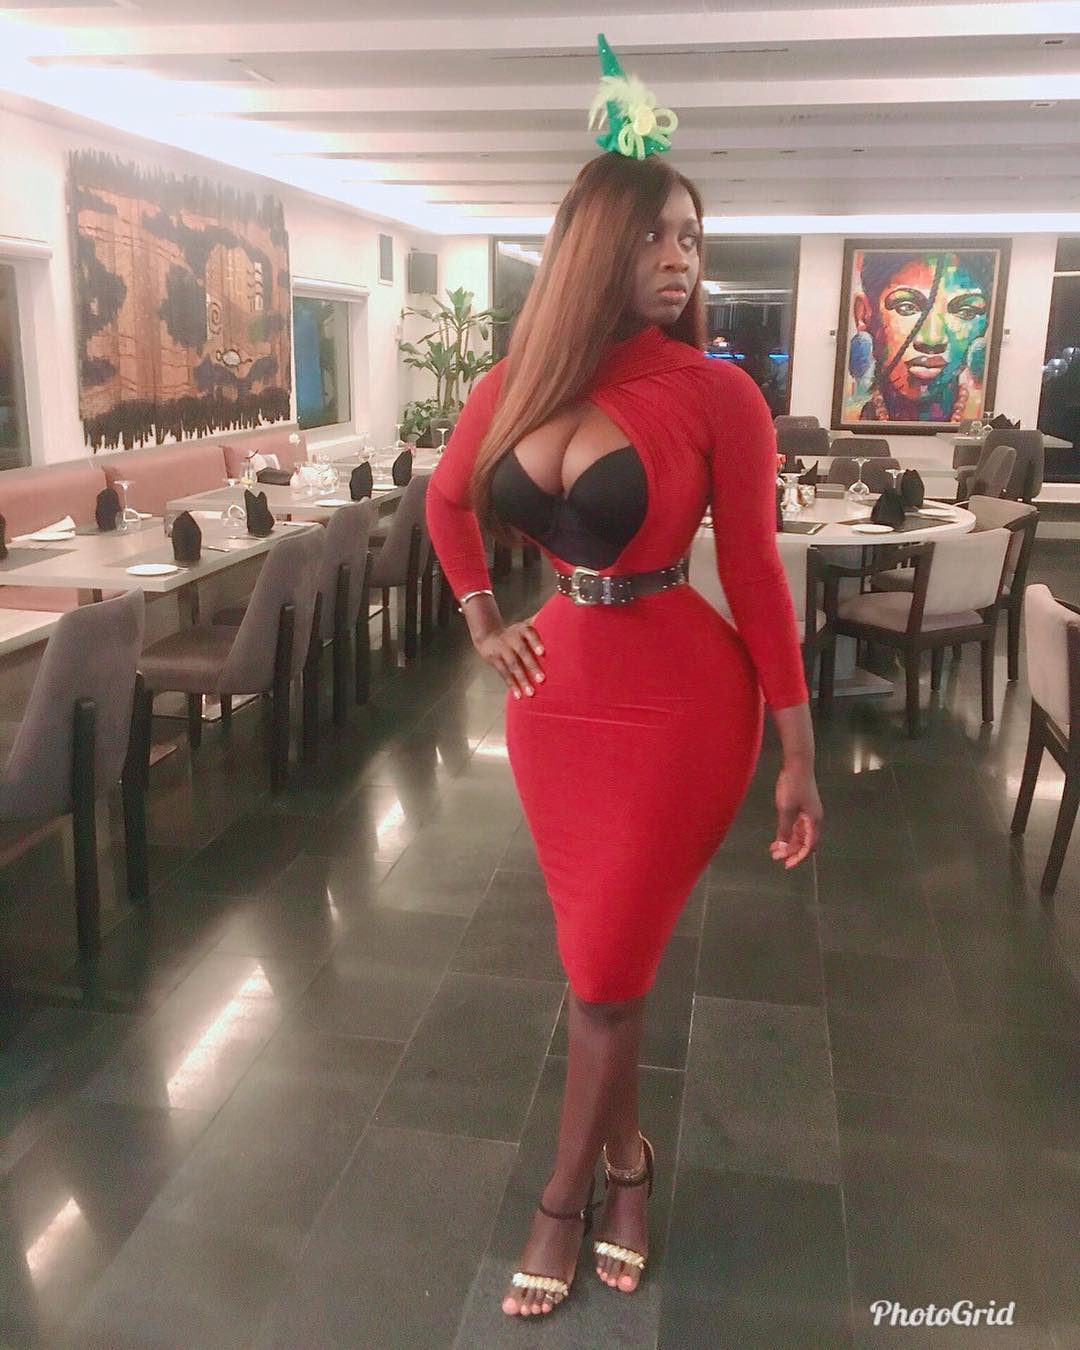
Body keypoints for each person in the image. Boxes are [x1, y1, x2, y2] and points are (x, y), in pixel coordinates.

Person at [425, 35, 823, 1321]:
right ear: (595, 244)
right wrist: (484, 618)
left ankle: (562, 1200)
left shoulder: (718, 396)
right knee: (606, 965)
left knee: (602, 970)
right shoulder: (517, 381)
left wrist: (798, 748)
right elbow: (446, 501)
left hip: (680, 710)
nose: (679, 256)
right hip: (555, 705)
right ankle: (632, 1167)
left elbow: (753, 575)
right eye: (655, 234)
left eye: (692, 238)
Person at [849, 249, 996, 425]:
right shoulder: (852, 414)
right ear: (864, 314)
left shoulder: (978, 416)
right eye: (906, 307)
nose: (933, 340)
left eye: (966, 311)